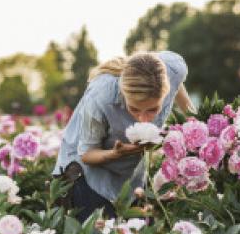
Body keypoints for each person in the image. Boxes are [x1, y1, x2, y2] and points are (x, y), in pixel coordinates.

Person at [52, 51, 194, 222]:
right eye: (134, 109)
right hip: (86, 169)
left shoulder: (173, 68)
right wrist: (116, 153)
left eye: (152, 109)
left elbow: (177, 86)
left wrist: (194, 122)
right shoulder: (101, 97)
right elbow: (88, 153)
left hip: (129, 172)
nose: (143, 119)